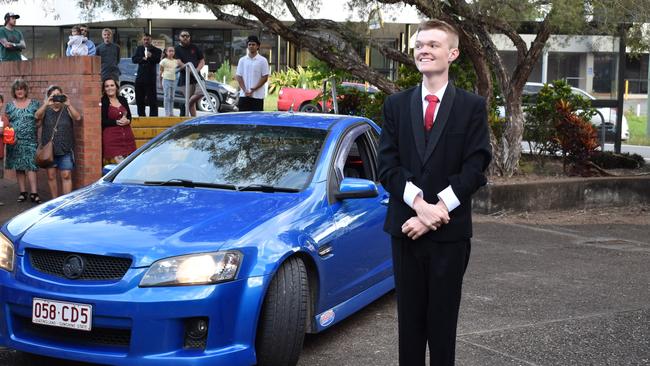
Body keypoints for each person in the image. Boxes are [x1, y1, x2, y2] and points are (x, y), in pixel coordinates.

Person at [377, 20, 492, 366]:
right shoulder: (395, 105)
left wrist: (438, 208)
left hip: (450, 235)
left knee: (443, 328)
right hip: (405, 230)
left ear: (452, 53)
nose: (424, 50)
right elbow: (387, 166)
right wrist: (418, 205)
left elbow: (476, 167)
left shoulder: (471, 107)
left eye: (433, 45)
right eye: (420, 44)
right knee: (409, 328)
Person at [34, 86, 82, 198]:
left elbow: (78, 118)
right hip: (49, 150)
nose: (56, 98)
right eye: (54, 95)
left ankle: (66, 202)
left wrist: (69, 104)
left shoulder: (66, 108)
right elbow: (36, 116)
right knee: (51, 176)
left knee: (66, 175)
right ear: (49, 96)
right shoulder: (46, 109)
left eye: (58, 95)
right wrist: (46, 103)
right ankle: (54, 201)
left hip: (65, 148)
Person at [4, 79, 42, 204]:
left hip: (30, 140)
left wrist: (35, 127)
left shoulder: (35, 104)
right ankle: (23, 192)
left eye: (22, 88)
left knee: (31, 166)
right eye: (17, 89)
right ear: (14, 91)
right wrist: (9, 137)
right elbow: (6, 124)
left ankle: (34, 193)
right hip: (14, 142)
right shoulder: (9, 106)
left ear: (25, 90)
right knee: (19, 167)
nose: (19, 91)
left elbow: (39, 120)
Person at [101, 78, 136, 165]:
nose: (109, 88)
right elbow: (102, 121)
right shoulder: (103, 101)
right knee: (121, 165)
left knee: (130, 164)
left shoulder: (122, 99)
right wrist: (116, 122)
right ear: (104, 89)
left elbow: (129, 116)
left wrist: (127, 121)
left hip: (127, 136)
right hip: (112, 137)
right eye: (107, 86)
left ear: (116, 87)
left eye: (112, 85)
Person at [235, 35, 269, 112]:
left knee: (256, 120)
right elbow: (239, 76)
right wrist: (244, 90)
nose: (251, 46)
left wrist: (254, 89)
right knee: (243, 120)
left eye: (253, 44)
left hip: (257, 96)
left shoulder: (263, 60)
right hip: (244, 95)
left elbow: (265, 77)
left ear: (258, 46)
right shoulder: (242, 60)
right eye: (249, 44)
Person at [174, 30, 204, 117]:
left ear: (189, 37)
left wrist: (197, 70)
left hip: (197, 76)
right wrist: (190, 70)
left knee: (201, 92)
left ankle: (186, 104)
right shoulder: (177, 49)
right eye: (183, 36)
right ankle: (194, 119)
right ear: (179, 37)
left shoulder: (194, 47)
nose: (185, 37)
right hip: (185, 78)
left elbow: (202, 61)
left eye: (187, 36)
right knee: (192, 102)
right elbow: (179, 62)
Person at [132, 33, 162, 117]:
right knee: (139, 99)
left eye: (147, 39)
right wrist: (142, 59)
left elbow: (157, 60)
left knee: (152, 99)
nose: (146, 41)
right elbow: (134, 59)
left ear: (151, 40)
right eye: (144, 39)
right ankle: (141, 116)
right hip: (140, 77)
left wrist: (151, 56)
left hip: (150, 78)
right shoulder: (139, 49)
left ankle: (153, 118)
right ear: (142, 40)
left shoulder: (157, 50)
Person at [159, 46, 182, 117]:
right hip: (166, 80)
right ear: (166, 52)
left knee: (172, 97)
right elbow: (160, 72)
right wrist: (160, 83)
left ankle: (171, 113)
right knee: (167, 97)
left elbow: (179, 68)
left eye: (173, 51)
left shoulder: (176, 61)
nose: (171, 52)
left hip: (174, 80)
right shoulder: (163, 61)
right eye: (170, 51)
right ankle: (167, 113)